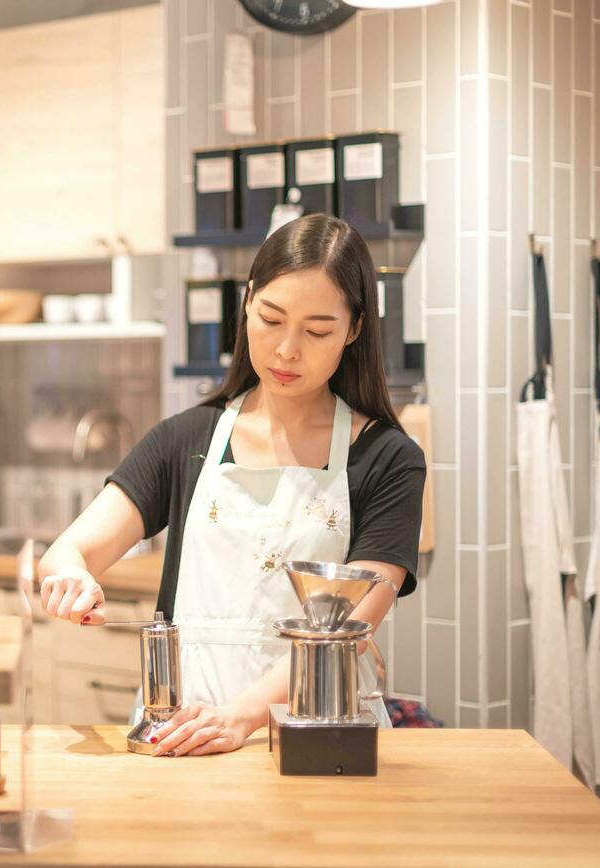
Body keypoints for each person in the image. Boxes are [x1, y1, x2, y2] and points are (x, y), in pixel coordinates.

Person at [37, 214, 425, 756]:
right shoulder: (186, 438)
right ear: (247, 302)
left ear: (354, 330)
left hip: (321, 740)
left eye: (317, 331)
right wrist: (70, 578)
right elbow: (68, 551)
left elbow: (347, 629)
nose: (288, 349)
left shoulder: (388, 459)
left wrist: (240, 718)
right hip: (186, 735)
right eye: (271, 319)